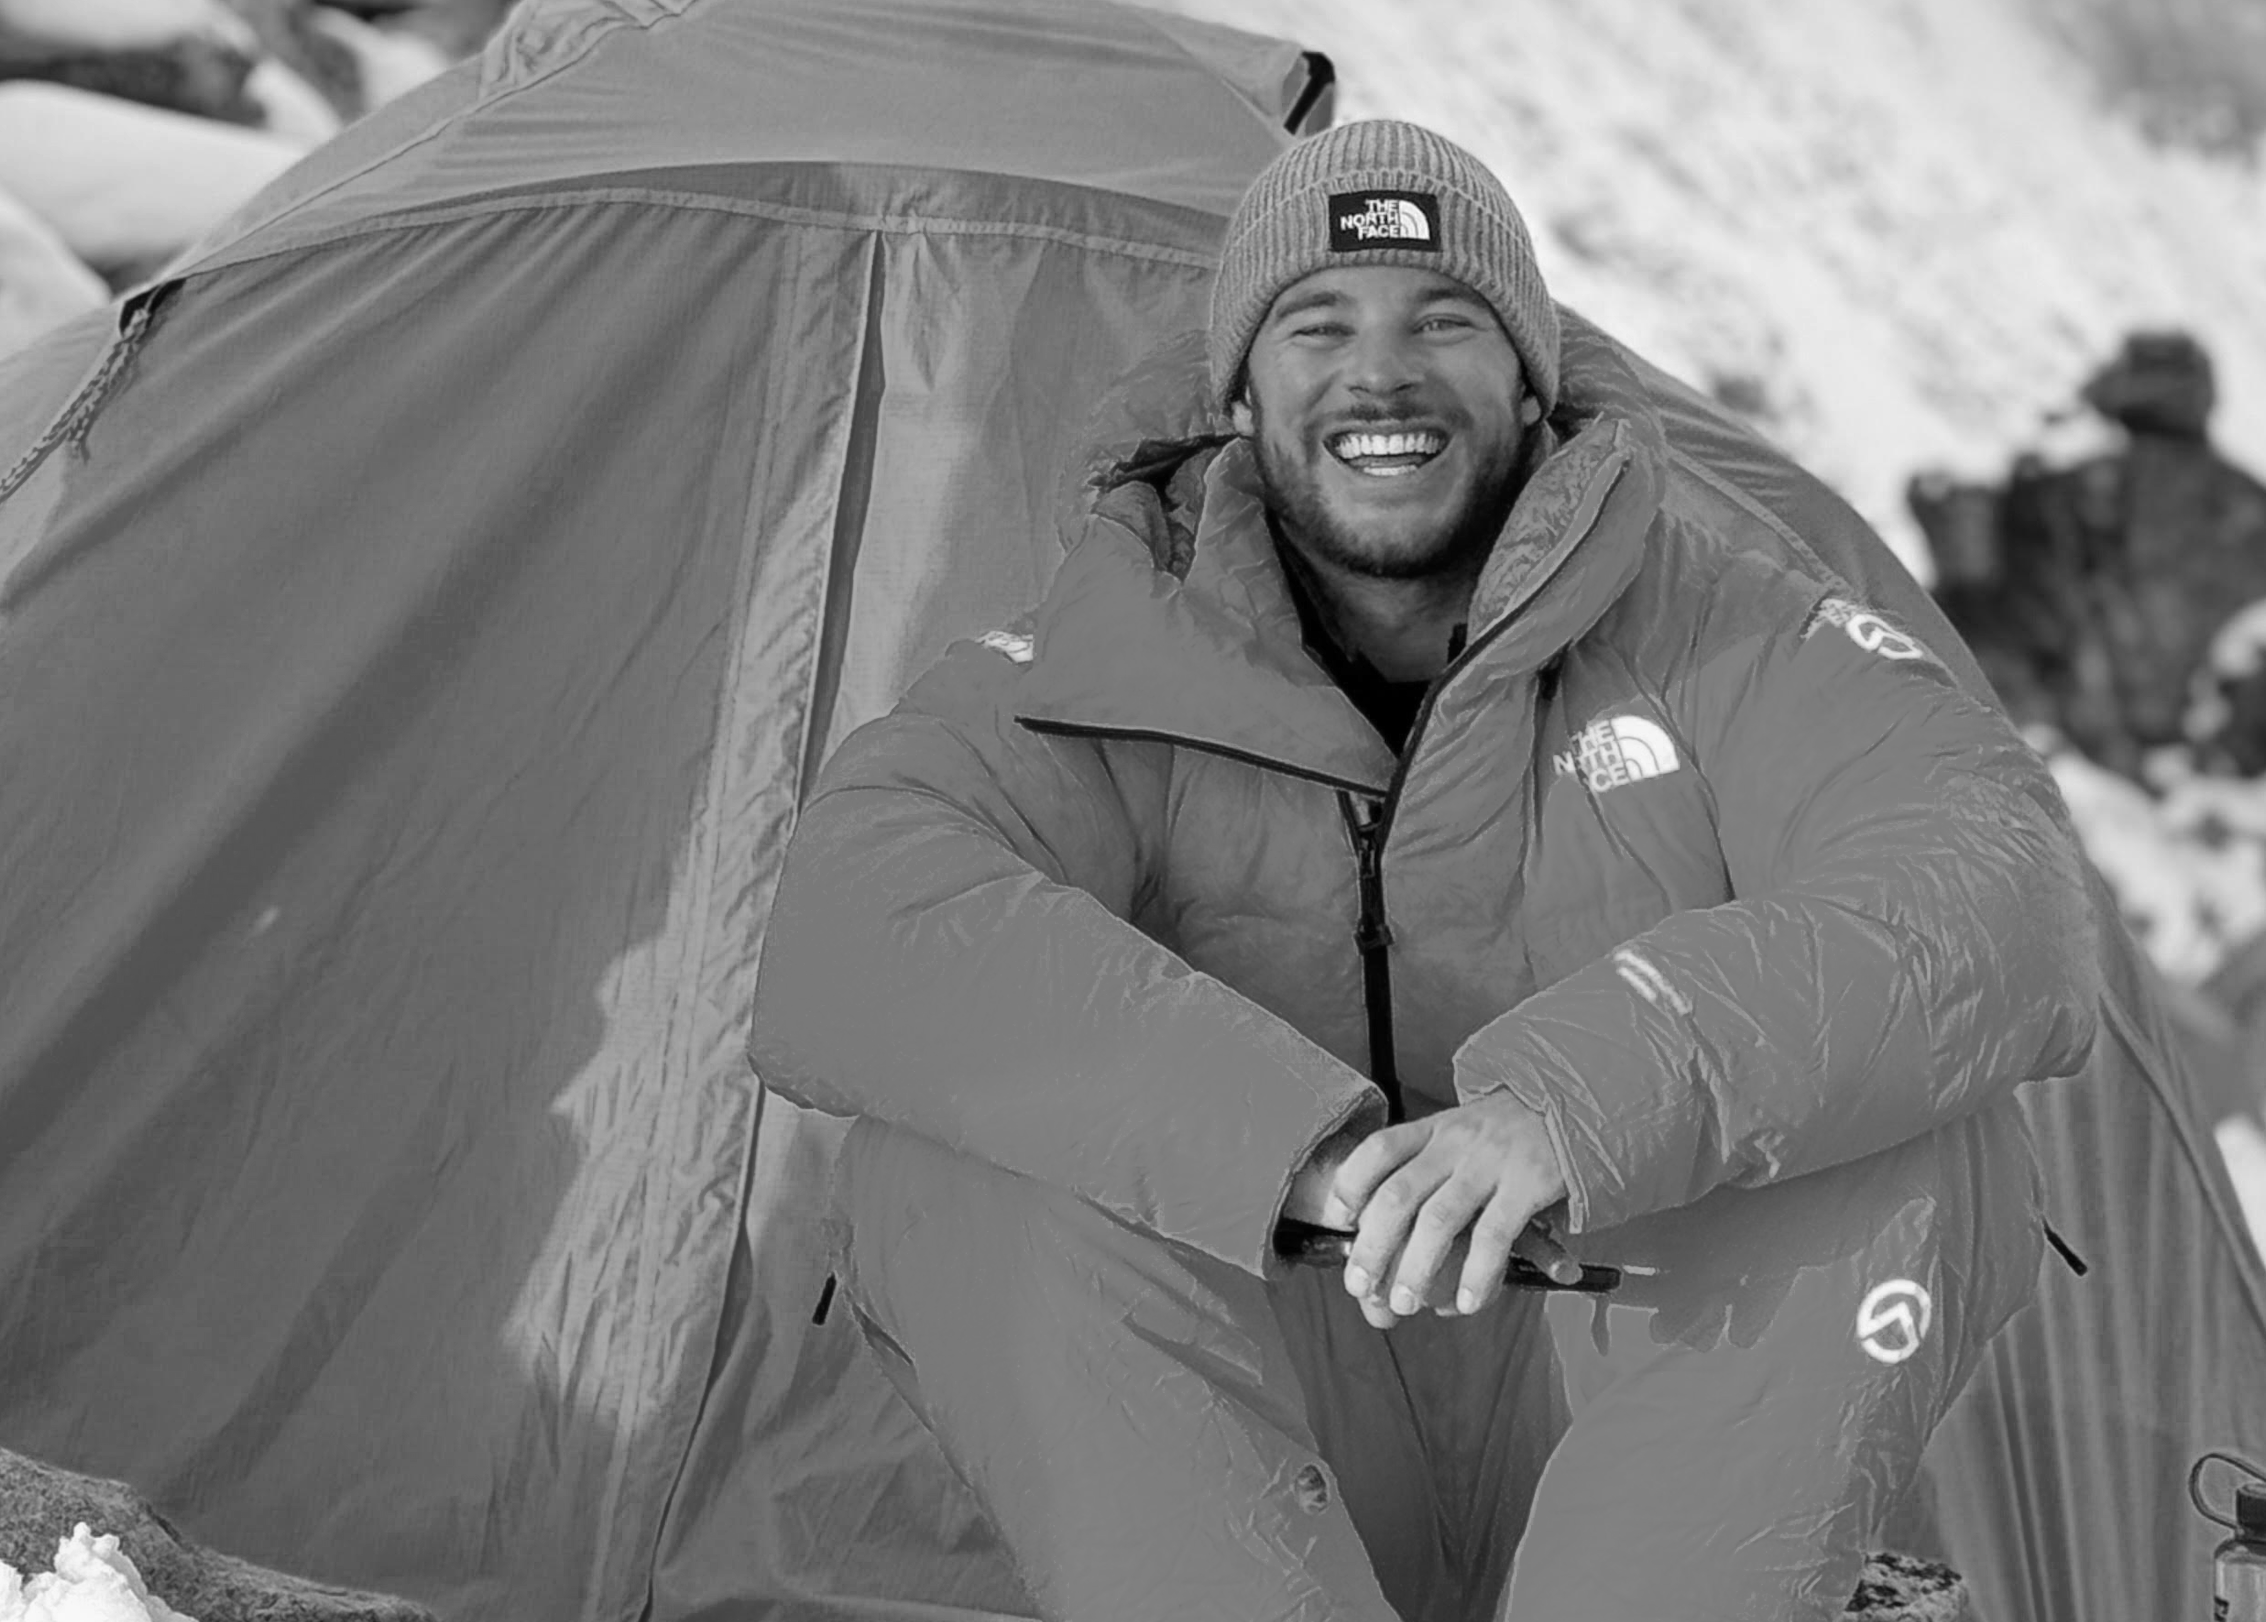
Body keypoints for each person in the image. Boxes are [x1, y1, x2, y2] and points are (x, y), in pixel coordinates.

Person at [751, 121, 2101, 1622]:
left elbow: (1996, 883)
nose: (1377, 376)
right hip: (1258, 1430)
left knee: (1922, 1137)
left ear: (1529, 380)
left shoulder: (1727, 631)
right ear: (1240, 395)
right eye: (1314, 325)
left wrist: (1583, 1099)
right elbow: (861, 915)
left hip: (1643, 1403)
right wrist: (1288, 1146)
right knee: (943, 1160)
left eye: (1442, 322)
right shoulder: (1093, 661)